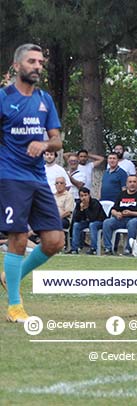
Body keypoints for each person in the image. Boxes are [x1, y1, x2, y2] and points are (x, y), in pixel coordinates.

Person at [0, 43, 65, 322]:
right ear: (17, 67)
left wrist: (44, 143)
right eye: (31, 61)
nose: (37, 66)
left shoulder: (45, 100)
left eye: (40, 62)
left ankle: (10, 276)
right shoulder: (3, 98)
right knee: (18, 238)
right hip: (10, 176)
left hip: (38, 178)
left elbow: (58, 141)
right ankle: (15, 307)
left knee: (54, 241)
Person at [102, 175, 137, 255]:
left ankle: (129, 249)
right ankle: (108, 248)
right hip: (121, 219)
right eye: (130, 182)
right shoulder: (121, 194)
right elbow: (113, 209)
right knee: (107, 222)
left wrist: (131, 213)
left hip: (136, 219)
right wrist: (117, 214)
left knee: (132, 223)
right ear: (126, 184)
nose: (132, 184)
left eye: (134, 182)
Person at [70, 187, 106, 255]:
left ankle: (93, 248)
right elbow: (76, 219)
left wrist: (86, 208)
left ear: (89, 195)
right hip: (88, 222)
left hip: (100, 221)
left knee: (92, 225)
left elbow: (93, 218)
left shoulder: (95, 202)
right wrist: (81, 210)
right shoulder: (79, 204)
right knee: (76, 225)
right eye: (82, 196)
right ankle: (74, 248)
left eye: (85, 195)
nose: (84, 198)